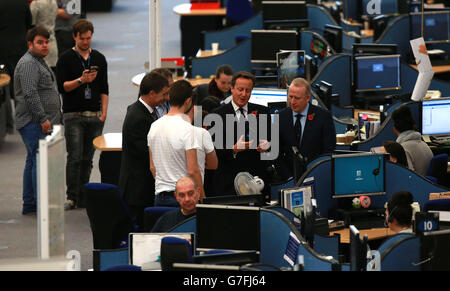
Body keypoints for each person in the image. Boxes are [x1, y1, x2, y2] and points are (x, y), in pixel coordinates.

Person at [56, 19, 109, 210]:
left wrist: (104, 113)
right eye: (82, 39)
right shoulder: (65, 59)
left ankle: (84, 195)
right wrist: (81, 80)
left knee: (88, 158)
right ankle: (72, 196)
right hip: (73, 114)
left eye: (89, 38)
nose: (86, 42)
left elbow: (104, 88)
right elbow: (62, 87)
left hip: (95, 114)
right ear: (74, 37)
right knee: (75, 157)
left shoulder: (99, 58)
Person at [14, 26, 62, 215]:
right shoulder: (28, 64)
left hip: (38, 120)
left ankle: (30, 203)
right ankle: (38, 204)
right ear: (30, 44)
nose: (45, 46)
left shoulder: (38, 60)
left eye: (46, 42)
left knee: (33, 160)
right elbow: (30, 94)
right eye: (40, 42)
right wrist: (43, 118)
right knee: (37, 160)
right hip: (33, 121)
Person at [119, 72, 169, 230]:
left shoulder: (143, 111)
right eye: (164, 94)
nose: (166, 98)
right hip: (137, 191)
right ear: (152, 93)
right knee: (139, 233)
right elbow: (146, 152)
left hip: (141, 186)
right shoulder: (138, 117)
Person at [209, 71, 272, 197]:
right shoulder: (217, 115)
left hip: (257, 182)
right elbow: (213, 151)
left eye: (248, 90)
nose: (244, 94)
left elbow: (273, 143)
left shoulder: (262, 112)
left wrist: (267, 146)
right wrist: (234, 149)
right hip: (228, 183)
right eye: (240, 89)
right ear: (231, 88)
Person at [148, 80, 204, 206]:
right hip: (184, 198)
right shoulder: (188, 129)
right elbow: (193, 170)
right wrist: (203, 197)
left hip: (159, 196)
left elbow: (152, 167)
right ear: (188, 101)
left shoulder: (154, 126)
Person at [275, 78, 336, 181]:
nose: (292, 102)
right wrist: (288, 178)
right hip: (288, 178)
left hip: (317, 176)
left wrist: (314, 174)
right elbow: (276, 154)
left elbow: (328, 152)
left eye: (297, 98)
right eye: (290, 97)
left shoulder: (323, 117)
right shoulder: (280, 117)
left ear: (307, 98)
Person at [0, 0, 32, 133]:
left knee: (3, 87)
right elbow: (28, 24)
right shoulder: (23, 3)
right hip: (20, 49)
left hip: (1, 50)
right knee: (20, 85)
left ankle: (6, 122)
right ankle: (22, 118)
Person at [391, 105, 433, 176]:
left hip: (417, 186)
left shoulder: (403, 148)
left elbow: (409, 177)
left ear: (394, 129)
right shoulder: (424, 144)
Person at [30, 0, 59, 70]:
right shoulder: (54, 2)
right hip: (52, 43)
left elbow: (31, 22)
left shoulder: (36, 3)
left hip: (39, 44)